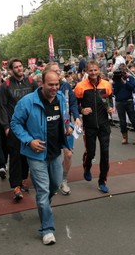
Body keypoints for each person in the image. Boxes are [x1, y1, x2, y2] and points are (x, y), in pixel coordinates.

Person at [9, 68, 73, 245]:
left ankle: (44, 205)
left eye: (57, 84)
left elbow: (64, 117)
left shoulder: (60, 98)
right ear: (41, 83)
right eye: (51, 84)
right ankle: (47, 229)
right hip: (36, 155)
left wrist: (68, 127)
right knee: (43, 191)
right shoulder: (27, 102)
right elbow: (15, 123)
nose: (55, 88)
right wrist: (29, 141)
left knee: (55, 185)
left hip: (55, 153)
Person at [0, 59, 36, 202]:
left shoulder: (31, 82)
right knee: (15, 156)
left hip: (30, 125)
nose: (19, 69)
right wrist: (6, 127)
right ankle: (16, 186)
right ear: (11, 70)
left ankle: (24, 179)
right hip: (14, 126)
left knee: (27, 154)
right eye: (16, 67)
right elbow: (1, 107)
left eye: (20, 66)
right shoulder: (6, 86)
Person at [74, 61, 114, 193]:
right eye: (90, 70)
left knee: (105, 153)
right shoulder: (80, 86)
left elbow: (109, 99)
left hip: (104, 125)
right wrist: (81, 110)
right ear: (86, 71)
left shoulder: (106, 84)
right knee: (90, 152)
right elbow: (74, 105)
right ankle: (87, 166)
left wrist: (110, 108)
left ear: (99, 71)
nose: (93, 73)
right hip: (89, 125)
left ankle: (102, 181)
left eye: (95, 70)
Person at [46, 61, 81, 196]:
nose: (58, 73)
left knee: (69, 154)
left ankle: (63, 179)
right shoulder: (42, 88)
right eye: (55, 71)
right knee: (51, 155)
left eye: (59, 71)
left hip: (65, 122)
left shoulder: (66, 86)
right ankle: (51, 180)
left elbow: (71, 104)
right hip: (50, 125)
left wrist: (76, 118)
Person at [112, 65, 135, 145]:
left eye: (123, 69)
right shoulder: (116, 80)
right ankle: (125, 138)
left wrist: (125, 82)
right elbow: (115, 92)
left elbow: (133, 88)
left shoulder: (130, 78)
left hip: (129, 101)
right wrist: (115, 83)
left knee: (133, 119)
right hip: (119, 102)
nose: (122, 71)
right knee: (122, 121)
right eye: (120, 69)